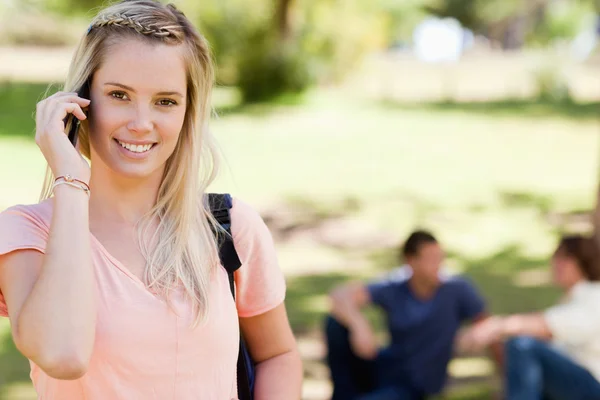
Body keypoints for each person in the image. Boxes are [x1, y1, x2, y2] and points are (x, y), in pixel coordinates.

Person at [0, 1, 302, 399]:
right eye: (120, 95)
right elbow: (62, 355)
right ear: (80, 100)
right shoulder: (26, 233)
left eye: (165, 101)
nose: (141, 123)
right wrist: (69, 177)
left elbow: (277, 354)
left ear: (187, 111)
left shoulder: (228, 227)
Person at [324, 230, 499, 400]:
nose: (437, 265)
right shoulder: (395, 285)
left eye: (439, 258)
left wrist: (506, 379)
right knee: (336, 323)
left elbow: (489, 329)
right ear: (410, 261)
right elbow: (339, 296)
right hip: (386, 368)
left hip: (415, 384)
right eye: (430, 259)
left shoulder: (457, 289)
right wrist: (359, 324)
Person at [459, 234, 600, 400]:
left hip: (592, 387)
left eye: (563, 259)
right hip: (573, 386)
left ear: (581, 261)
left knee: (522, 345)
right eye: (556, 258)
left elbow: (547, 325)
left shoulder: (593, 296)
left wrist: (495, 326)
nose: (556, 265)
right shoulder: (567, 301)